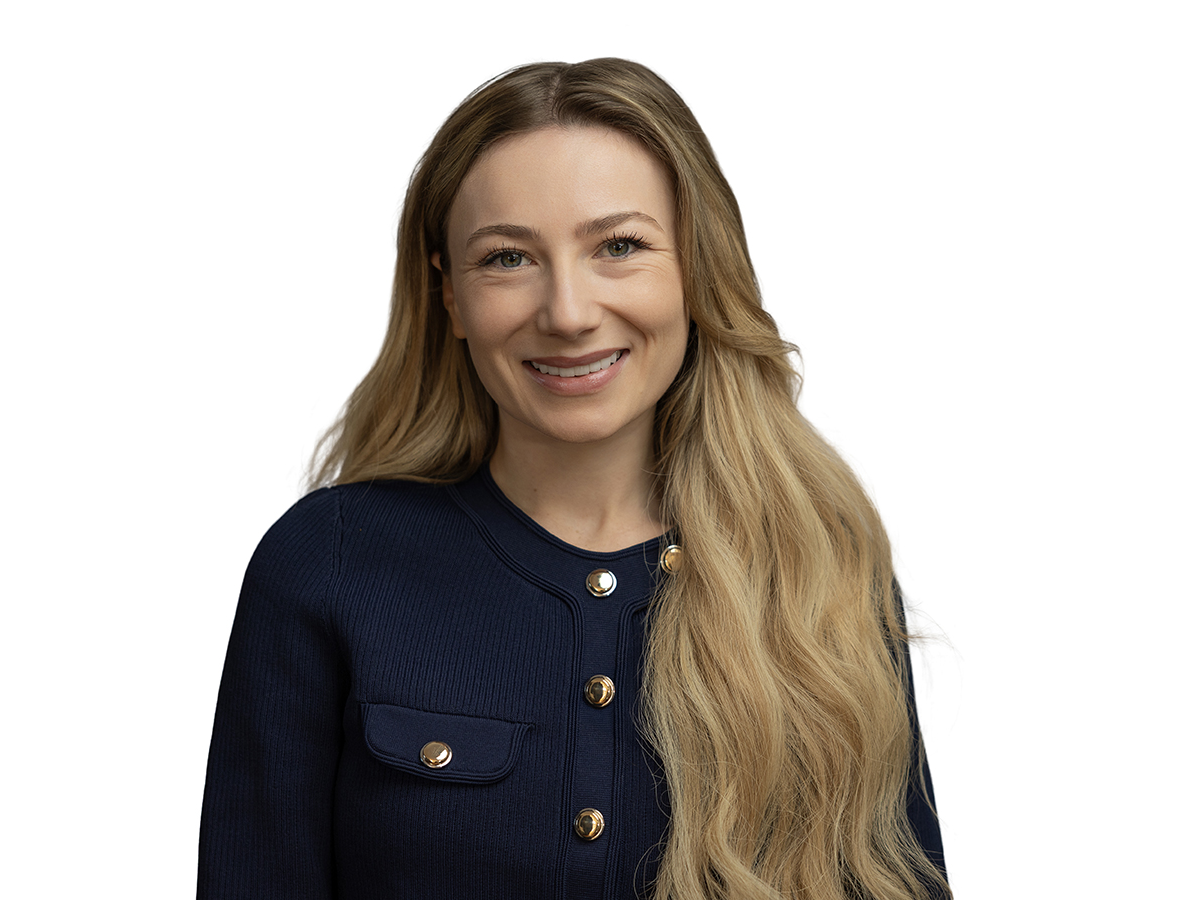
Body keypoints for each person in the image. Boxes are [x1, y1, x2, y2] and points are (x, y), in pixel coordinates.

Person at [198, 58, 951, 900]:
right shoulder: (328, 564)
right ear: (449, 295)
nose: (567, 312)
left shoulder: (819, 570)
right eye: (507, 258)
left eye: (619, 247)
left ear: (697, 267)